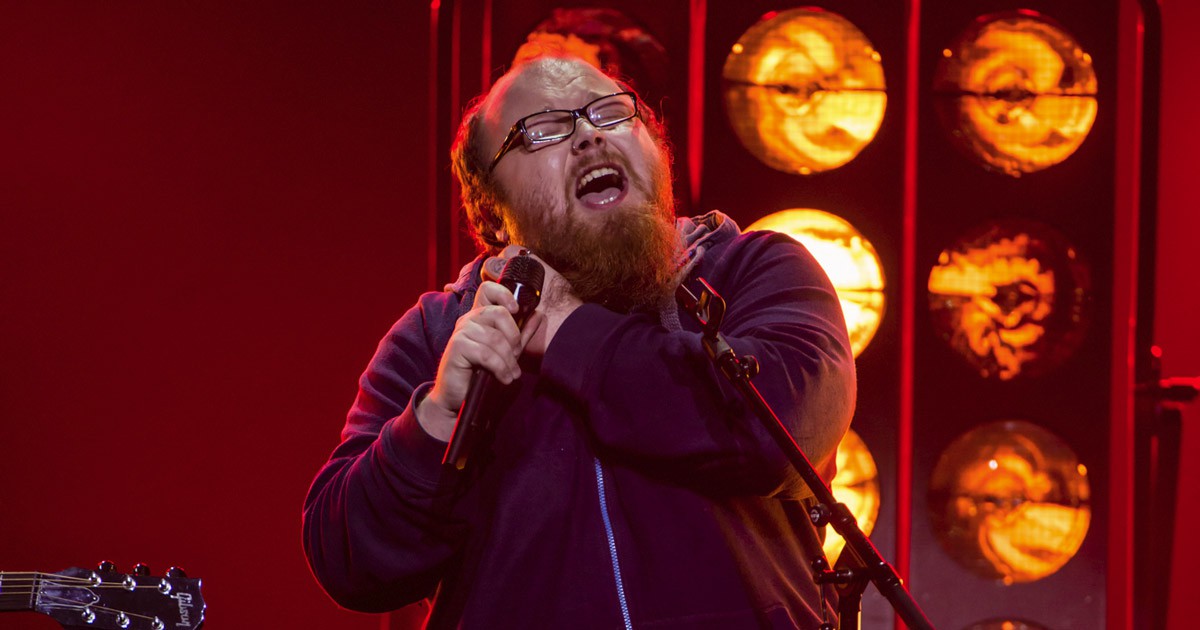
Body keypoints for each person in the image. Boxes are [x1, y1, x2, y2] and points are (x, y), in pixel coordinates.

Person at [303, 54, 856, 629]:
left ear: (657, 154)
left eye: (611, 113)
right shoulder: (438, 335)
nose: (590, 135)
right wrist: (436, 420)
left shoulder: (751, 270)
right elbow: (350, 562)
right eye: (541, 130)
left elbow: (790, 428)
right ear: (491, 212)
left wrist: (568, 328)